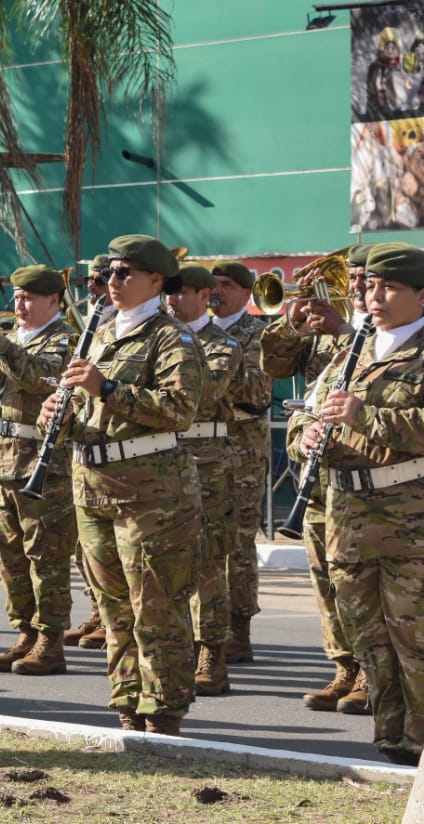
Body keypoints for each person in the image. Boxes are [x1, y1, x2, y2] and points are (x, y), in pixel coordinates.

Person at [40, 234, 205, 735]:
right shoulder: (100, 331)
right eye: (110, 273)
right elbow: (87, 407)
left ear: (156, 280)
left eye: (124, 273)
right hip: (94, 487)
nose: (111, 282)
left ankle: (164, 714)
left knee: (156, 608)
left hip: (151, 494)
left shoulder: (172, 337)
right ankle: (129, 705)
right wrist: (59, 414)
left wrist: (106, 387)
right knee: (113, 610)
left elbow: (179, 410)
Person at [298, 241, 424, 766]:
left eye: (389, 286)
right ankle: (391, 737)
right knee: (368, 640)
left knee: (414, 641)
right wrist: (303, 437)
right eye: (371, 285)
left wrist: (363, 416)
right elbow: (309, 413)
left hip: (408, 523)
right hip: (347, 521)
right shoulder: (354, 351)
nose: (374, 296)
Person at [260, 244, 368, 712]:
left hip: (368, 477)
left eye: (370, 279)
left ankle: (370, 671)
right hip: (318, 474)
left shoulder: (385, 336)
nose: (363, 288)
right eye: (357, 278)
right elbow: (275, 367)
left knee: (362, 581)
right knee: (325, 576)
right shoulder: (325, 331)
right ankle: (343, 666)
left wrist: (345, 330)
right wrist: (293, 321)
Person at [0, 264, 79, 677]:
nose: (19, 305)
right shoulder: (9, 338)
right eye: (15, 297)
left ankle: (51, 639)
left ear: (54, 300)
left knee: (45, 554)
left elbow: (36, 379)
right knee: (10, 554)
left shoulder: (66, 341)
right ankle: (26, 631)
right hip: (2, 462)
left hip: (44, 466)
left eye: (28, 298)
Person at [168, 263, 244, 697]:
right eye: (170, 293)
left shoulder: (221, 343)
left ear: (204, 296)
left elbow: (205, 394)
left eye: (182, 293)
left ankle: (211, 651)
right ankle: (181, 646)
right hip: (165, 459)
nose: (174, 300)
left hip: (208, 461)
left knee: (210, 561)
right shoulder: (160, 335)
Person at [209, 260, 273, 663]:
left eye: (227, 285)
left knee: (238, 543)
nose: (217, 292)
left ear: (247, 294)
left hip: (242, 454)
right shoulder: (193, 330)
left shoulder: (258, 334)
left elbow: (256, 393)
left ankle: (238, 628)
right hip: (202, 453)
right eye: (212, 285)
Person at [63, 252, 114, 650]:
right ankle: (100, 612)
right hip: (91, 458)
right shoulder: (94, 328)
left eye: (108, 276)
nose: (97, 286)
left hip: (139, 465)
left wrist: (105, 389)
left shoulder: (159, 331)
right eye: (95, 279)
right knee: (90, 552)